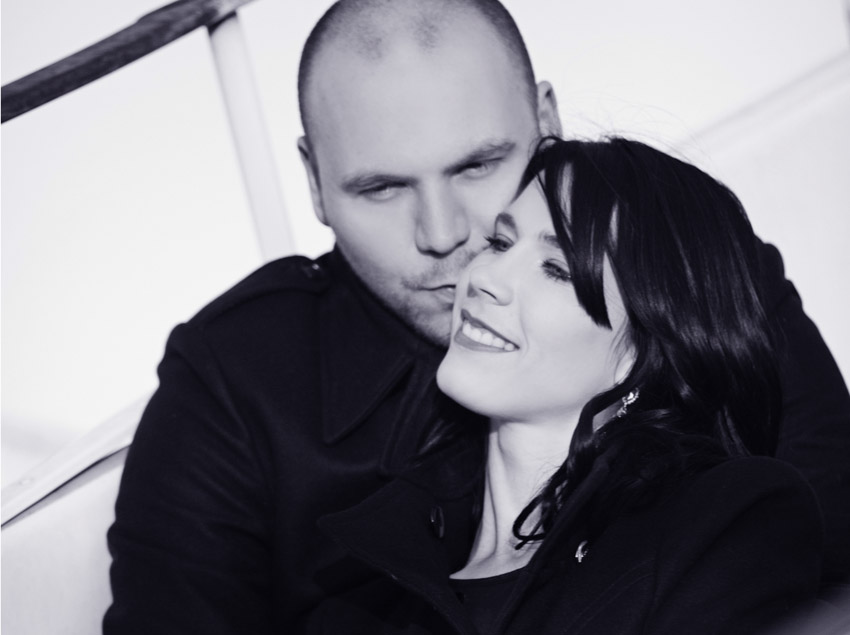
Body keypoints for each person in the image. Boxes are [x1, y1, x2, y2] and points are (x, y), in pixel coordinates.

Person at [104, 0, 849, 632]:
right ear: (314, 182)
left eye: (476, 166)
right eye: (381, 189)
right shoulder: (232, 383)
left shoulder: (690, 277)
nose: (443, 235)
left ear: (548, 123)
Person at [318, 136, 823, 634]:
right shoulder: (362, 582)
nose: (485, 277)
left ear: (643, 352)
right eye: (500, 242)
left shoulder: (721, 525)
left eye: (556, 269)